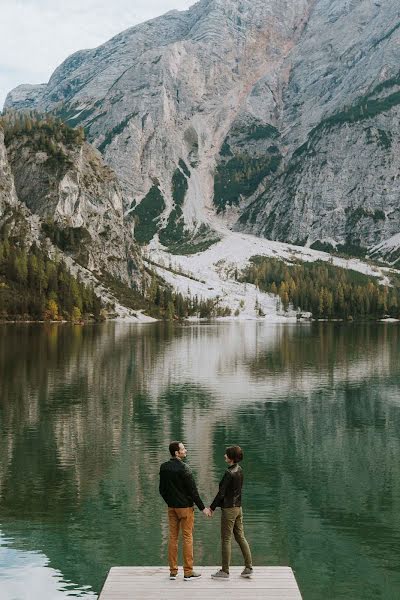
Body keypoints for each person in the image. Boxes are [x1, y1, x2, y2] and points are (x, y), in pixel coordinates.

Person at [159, 441, 212, 581]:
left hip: (172, 507)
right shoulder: (184, 468)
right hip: (186, 508)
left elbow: (162, 490)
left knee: (173, 538)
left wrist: (170, 502)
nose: (185, 450)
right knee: (187, 537)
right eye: (183, 449)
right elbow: (193, 492)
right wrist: (203, 508)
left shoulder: (164, 467)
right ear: (177, 453)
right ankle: (188, 572)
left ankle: (173, 571)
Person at [209, 445, 253, 579]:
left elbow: (221, 494)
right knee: (240, 536)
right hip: (238, 508)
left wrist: (211, 508)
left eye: (226, 454)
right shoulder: (240, 469)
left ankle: (225, 571)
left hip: (229, 509)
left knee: (226, 539)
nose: (224, 456)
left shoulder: (229, 473)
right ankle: (248, 567)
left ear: (231, 458)